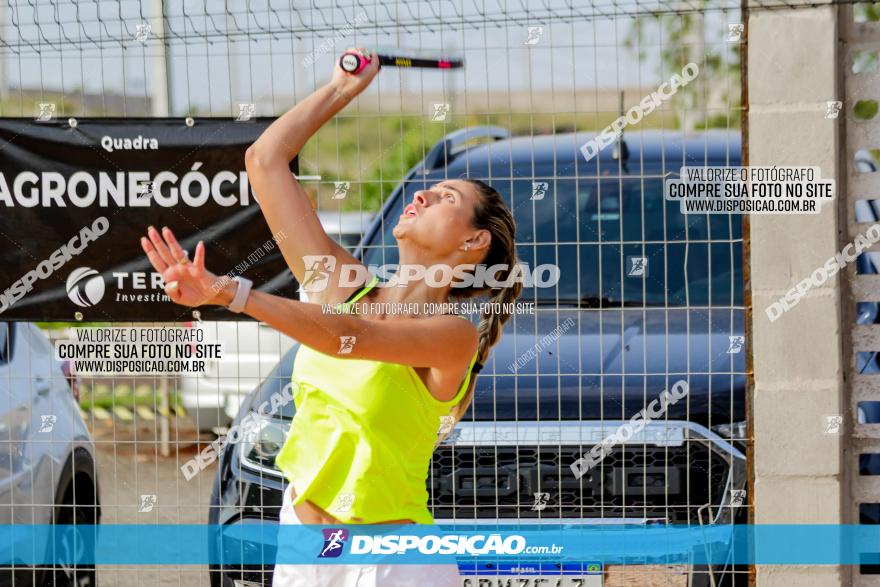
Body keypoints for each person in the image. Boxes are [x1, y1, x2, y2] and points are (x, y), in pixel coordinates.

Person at [139, 46, 522, 587]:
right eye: (426, 189)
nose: (422, 194)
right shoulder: (343, 284)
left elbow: (351, 338)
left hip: (393, 561)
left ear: (474, 240)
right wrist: (342, 90)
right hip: (305, 541)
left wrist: (232, 294)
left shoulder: (454, 336)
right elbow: (265, 160)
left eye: (445, 197)